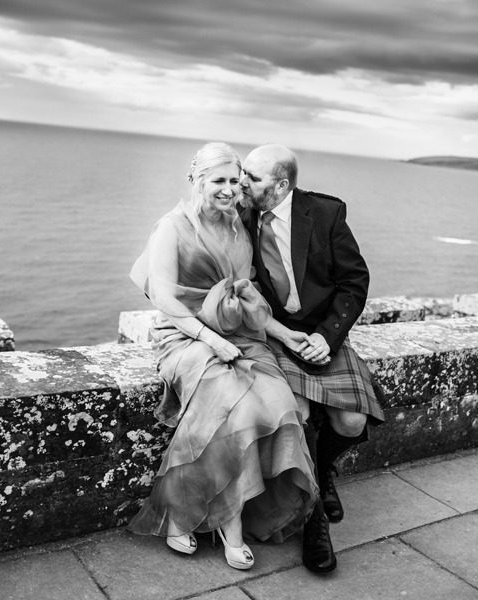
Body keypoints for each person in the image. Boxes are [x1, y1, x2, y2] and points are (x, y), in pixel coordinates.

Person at [126, 142, 320, 571]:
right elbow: (164, 299)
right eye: (219, 180)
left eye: (236, 180)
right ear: (196, 180)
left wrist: (286, 334)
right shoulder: (171, 227)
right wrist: (212, 343)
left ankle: (207, 516)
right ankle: (219, 526)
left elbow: (245, 297)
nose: (229, 189)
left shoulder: (238, 227)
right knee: (235, 406)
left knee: (281, 402)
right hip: (185, 336)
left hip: (236, 332)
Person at [239, 144, 386, 572]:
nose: (243, 183)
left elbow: (354, 282)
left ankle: (321, 473)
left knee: (351, 421)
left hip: (322, 333)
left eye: (253, 177)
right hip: (273, 335)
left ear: (281, 184)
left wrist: (328, 337)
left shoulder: (325, 214)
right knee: (298, 417)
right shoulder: (240, 215)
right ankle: (314, 521)